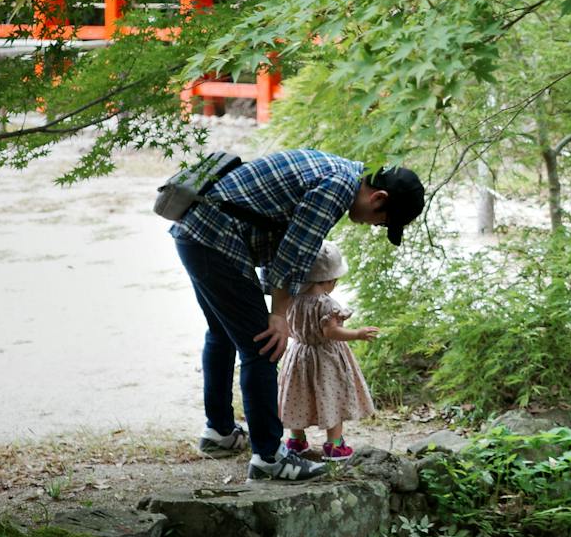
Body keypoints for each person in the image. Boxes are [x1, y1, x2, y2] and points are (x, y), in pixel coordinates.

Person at [171, 150, 423, 482]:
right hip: (214, 240)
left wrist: (278, 306)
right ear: (378, 198)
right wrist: (279, 315)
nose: (375, 226)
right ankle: (269, 458)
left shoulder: (336, 170)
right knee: (264, 345)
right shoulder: (337, 187)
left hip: (197, 232)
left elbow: (281, 241)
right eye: (383, 221)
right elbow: (294, 253)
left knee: (222, 333)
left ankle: (219, 432)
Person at [278, 243, 378, 461]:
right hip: (325, 358)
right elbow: (331, 332)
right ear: (328, 280)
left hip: (299, 354)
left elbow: (289, 326)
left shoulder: (293, 299)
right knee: (332, 395)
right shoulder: (326, 304)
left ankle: (296, 440)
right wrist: (357, 333)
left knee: (299, 395)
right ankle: (334, 444)